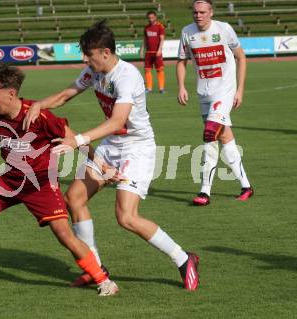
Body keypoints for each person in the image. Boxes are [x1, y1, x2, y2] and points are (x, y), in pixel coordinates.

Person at [23, 20, 200, 291]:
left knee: (126, 216)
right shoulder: (94, 71)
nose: (85, 58)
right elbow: (64, 95)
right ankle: (95, 267)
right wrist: (37, 105)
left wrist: (78, 140)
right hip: (111, 145)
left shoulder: (126, 77)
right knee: (75, 197)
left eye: (88, 54)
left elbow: (118, 120)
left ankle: (183, 258)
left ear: (105, 52)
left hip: (136, 148)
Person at [0, 63, 119, 296]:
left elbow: (76, 140)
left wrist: (101, 165)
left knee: (64, 234)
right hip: (9, 181)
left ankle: (104, 281)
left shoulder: (40, 115)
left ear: (11, 94)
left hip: (40, 185)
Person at [176, 0, 254, 206]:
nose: (198, 15)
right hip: (204, 93)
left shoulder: (224, 29)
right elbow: (181, 61)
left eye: (202, 12)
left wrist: (240, 89)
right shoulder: (187, 32)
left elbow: (241, 57)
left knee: (210, 134)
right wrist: (181, 86)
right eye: (195, 12)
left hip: (224, 91)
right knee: (224, 137)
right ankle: (246, 186)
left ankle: (204, 192)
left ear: (211, 12)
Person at [140, 10, 165, 94]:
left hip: (156, 52)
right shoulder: (146, 27)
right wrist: (142, 49)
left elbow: (162, 39)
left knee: (159, 69)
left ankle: (161, 88)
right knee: (147, 70)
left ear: (155, 17)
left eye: (152, 17)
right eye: (149, 18)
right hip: (148, 52)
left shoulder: (160, 26)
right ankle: (149, 88)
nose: (150, 19)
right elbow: (145, 39)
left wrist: (159, 50)